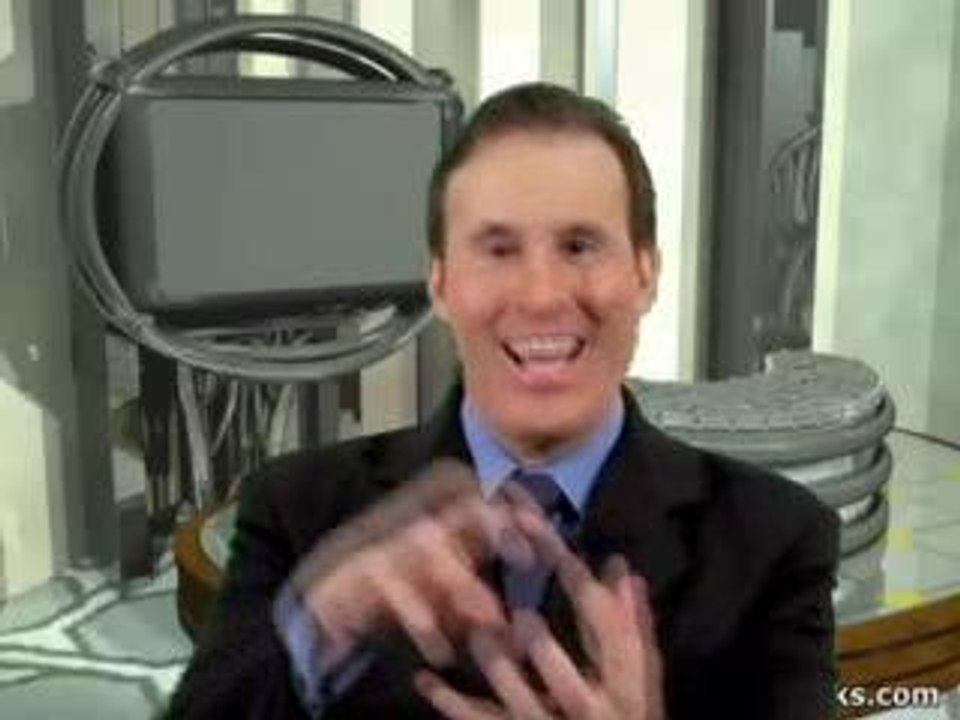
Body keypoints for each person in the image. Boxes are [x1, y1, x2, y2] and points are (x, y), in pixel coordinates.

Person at [168, 82, 839, 719]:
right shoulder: (295, 507)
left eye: (580, 245)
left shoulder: (776, 537)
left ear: (645, 273)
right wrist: (322, 627)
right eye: (498, 249)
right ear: (440, 284)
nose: (541, 295)